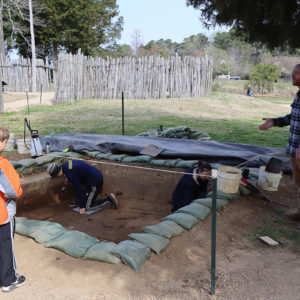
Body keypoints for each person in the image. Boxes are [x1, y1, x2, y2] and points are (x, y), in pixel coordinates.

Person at [259, 64, 300, 221]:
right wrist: (274, 122)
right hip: (294, 149)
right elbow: (293, 117)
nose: (292, 76)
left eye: (295, 74)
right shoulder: (299, 95)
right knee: (299, 182)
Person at [0, 126, 25, 293]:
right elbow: (14, 191)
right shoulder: (3, 164)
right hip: (2, 214)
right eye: (5, 141)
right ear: (1, 143)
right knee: (6, 245)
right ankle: (9, 280)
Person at [47, 160, 118, 214]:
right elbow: (75, 171)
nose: (57, 177)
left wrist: (82, 207)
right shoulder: (66, 164)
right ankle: (84, 200)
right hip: (93, 176)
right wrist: (68, 178)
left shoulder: (70, 173)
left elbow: (79, 188)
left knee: (88, 206)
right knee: (83, 200)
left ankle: (108, 199)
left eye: (56, 175)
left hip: (95, 182)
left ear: (58, 173)